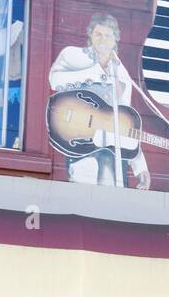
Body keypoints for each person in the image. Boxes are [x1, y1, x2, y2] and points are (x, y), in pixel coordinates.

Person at [48, 13, 150, 190]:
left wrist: (140, 167)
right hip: (79, 140)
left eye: (108, 36)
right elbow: (54, 80)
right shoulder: (72, 55)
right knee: (82, 195)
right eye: (98, 34)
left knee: (111, 202)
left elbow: (125, 123)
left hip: (109, 150)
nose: (103, 40)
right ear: (90, 35)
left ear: (115, 40)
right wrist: (93, 72)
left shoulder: (122, 75)